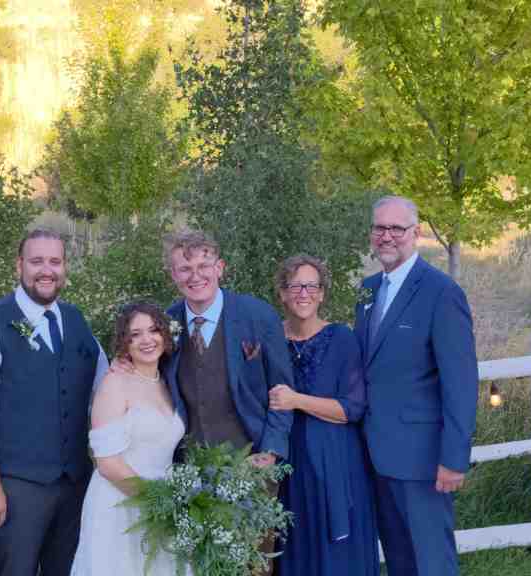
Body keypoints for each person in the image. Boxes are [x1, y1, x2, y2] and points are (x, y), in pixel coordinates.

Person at [0, 229, 108, 576]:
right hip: (15, 487)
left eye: (55, 261)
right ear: (19, 265)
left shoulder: (76, 319)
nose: (46, 270)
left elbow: (104, 389)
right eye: (37, 261)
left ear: (65, 267)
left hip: (74, 484)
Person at [355, 196, 478, 576]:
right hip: (375, 454)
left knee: (431, 562)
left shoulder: (441, 292)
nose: (387, 236)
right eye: (380, 228)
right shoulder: (367, 290)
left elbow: (461, 382)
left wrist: (454, 458)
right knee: (400, 561)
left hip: (422, 459)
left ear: (416, 233)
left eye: (397, 228)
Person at [268, 255, 380, 576]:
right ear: (283, 294)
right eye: (295, 286)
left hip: (336, 461)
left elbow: (352, 409)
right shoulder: (270, 340)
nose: (303, 293)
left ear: (321, 294)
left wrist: (295, 400)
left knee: (337, 557)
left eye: (311, 286)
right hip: (288, 465)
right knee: (295, 547)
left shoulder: (342, 338)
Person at [70, 302, 185, 576]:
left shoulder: (168, 382)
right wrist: (155, 502)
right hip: (120, 504)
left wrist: (170, 505)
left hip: (164, 504)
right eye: (135, 334)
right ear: (124, 342)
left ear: (165, 335)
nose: (147, 340)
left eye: (153, 330)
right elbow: (107, 463)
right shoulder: (114, 384)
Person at [161, 229, 294, 467]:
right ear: (173, 274)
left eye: (203, 266)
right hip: (189, 468)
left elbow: (282, 390)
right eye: (185, 269)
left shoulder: (259, 316)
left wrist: (270, 451)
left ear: (219, 268)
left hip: (252, 463)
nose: (195, 276)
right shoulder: (165, 323)